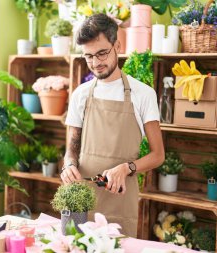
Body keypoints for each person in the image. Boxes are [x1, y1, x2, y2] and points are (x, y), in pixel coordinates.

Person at [61, 13, 165, 237]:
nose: (96, 63)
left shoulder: (143, 94)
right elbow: (71, 149)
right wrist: (68, 165)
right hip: (81, 201)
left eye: (102, 53)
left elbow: (158, 155)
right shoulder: (80, 95)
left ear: (117, 45)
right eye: (88, 56)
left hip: (120, 201)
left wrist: (127, 167)